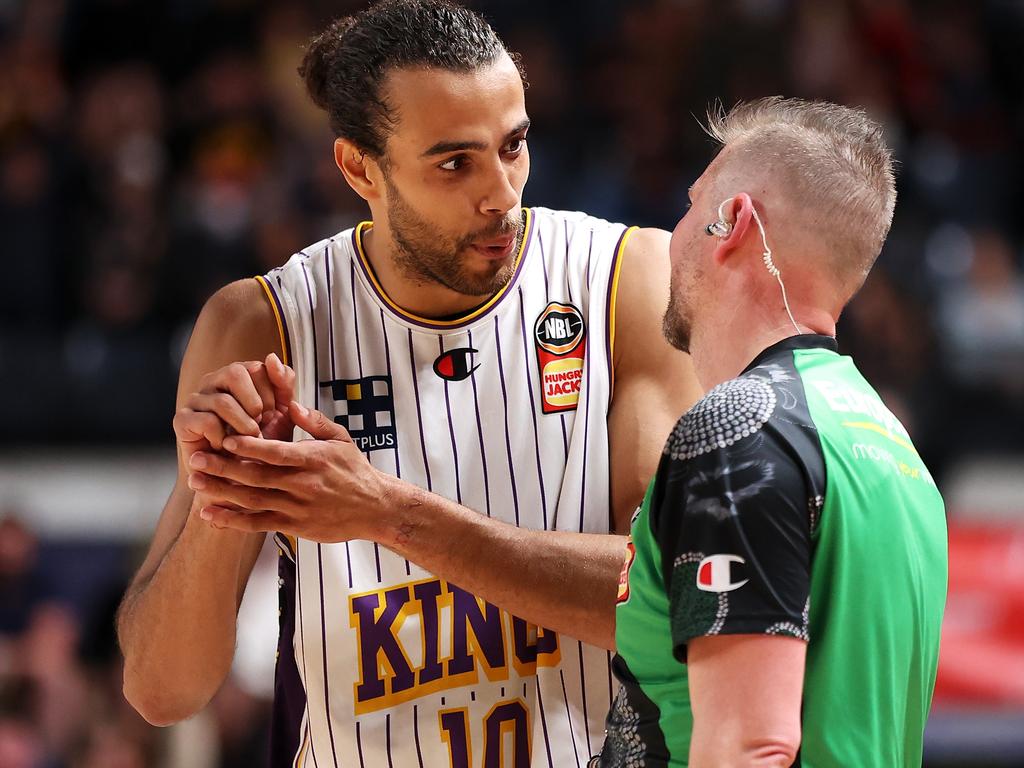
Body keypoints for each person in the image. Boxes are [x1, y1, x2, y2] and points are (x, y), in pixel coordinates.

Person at [116, 1, 700, 766]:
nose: (501, 194)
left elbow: (671, 605)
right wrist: (228, 492)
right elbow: (164, 691)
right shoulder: (261, 325)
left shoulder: (627, 283)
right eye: (455, 162)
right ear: (360, 168)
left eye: (514, 146)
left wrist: (389, 514)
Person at [591, 98, 947, 766]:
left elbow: (751, 746)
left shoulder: (737, 432)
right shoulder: (893, 447)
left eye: (692, 204)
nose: (674, 231)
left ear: (733, 222)